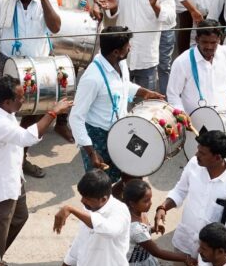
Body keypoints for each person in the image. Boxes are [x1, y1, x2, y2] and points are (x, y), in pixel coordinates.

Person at [0, 74, 72, 265]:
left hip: (12, 180)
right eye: (20, 98)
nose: (24, 100)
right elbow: (27, 138)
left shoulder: (2, 109)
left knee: (20, 216)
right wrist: (53, 113)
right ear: (7, 101)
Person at [68, 26, 165, 186]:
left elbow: (122, 85)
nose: (130, 48)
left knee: (137, 170)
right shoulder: (92, 78)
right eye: (127, 46)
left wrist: (144, 92)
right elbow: (75, 117)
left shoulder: (120, 62)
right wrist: (91, 153)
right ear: (116, 52)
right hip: (99, 137)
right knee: (104, 186)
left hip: (123, 128)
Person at [155, 129, 226, 266]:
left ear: (217, 157)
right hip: (186, 241)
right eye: (198, 150)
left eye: (202, 153)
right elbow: (180, 190)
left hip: (214, 251)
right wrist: (163, 208)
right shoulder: (193, 164)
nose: (196, 155)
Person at [51, 168, 132, 266]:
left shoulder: (120, 212)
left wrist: (71, 209)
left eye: (87, 198)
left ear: (104, 199)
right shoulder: (88, 208)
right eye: (82, 196)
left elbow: (109, 230)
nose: (82, 201)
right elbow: (80, 240)